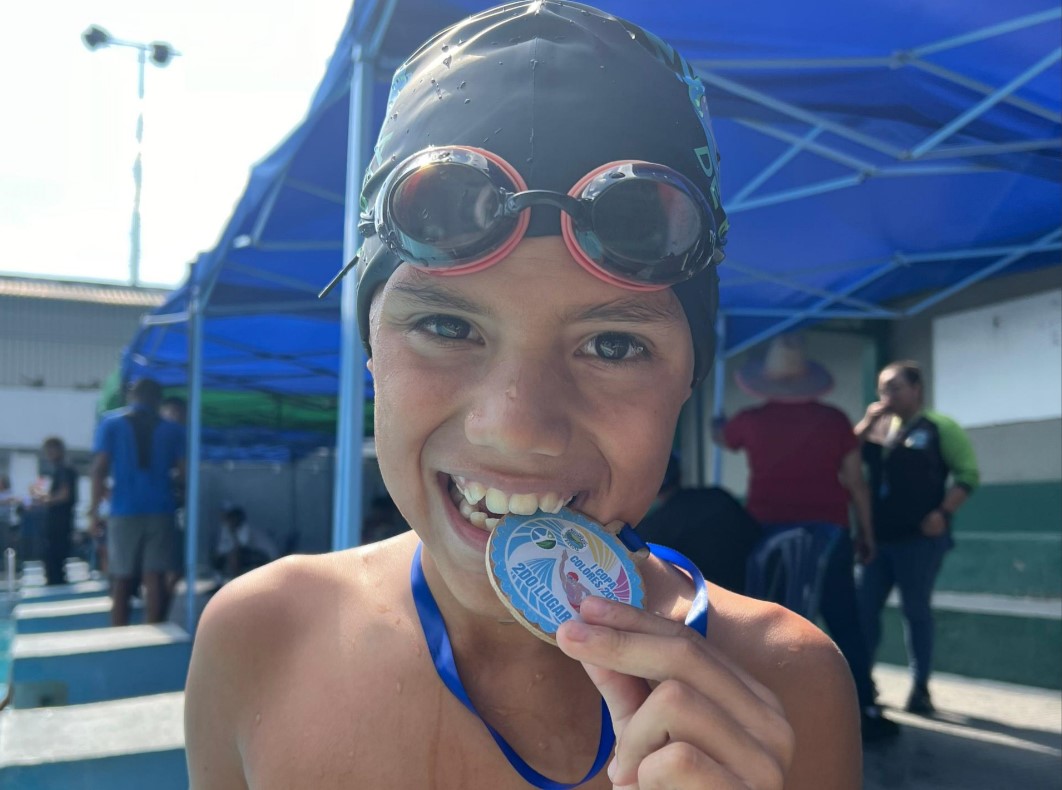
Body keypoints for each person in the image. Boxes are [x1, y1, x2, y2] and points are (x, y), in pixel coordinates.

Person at [185, 4, 861, 787]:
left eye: (613, 345)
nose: (517, 427)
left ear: (688, 379)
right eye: (444, 324)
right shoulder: (258, 637)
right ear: (370, 347)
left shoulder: (785, 684)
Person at [712, 333, 897, 741]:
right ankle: (862, 708)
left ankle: (763, 709)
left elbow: (722, 440)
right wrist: (867, 534)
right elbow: (855, 482)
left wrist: (717, 425)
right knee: (845, 624)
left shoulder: (751, 421)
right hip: (829, 533)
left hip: (766, 534)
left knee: (766, 623)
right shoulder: (834, 420)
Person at [854, 360, 979, 716]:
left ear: (915, 389)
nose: (886, 395)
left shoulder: (940, 427)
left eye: (893, 387)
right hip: (877, 542)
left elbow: (968, 474)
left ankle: (920, 688)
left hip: (919, 542)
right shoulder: (880, 430)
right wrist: (867, 423)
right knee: (863, 613)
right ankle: (862, 686)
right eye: (881, 388)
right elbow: (845, 455)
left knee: (916, 612)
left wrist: (943, 513)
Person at [89, 377, 186, 625]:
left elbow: (99, 469)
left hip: (123, 510)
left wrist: (93, 511)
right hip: (161, 509)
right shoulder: (173, 430)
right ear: (158, 400)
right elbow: (185, 474)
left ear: (132, 395)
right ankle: (152, 635)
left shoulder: (111, 423)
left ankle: (119, 636)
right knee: (153, 576)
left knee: (121, 577)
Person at [637, 453, 763, 594]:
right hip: (748, 594)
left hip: (702, 604)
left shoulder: (649, 531)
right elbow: (757, 541)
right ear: (680, 474)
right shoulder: (719, 498)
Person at [31, 438, 78, 586]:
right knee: (54, 557)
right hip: (60, 519)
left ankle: (56, 584)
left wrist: (45, 500)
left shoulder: (64, 469)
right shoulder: (60, 470)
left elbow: (64, 495)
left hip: (59, 520)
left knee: (54, 556)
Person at [211, 505, 280, 580]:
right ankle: (218, 579)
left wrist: (233, 534)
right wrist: (219, 555)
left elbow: (240, 546)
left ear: (238, 519)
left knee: (234, 555)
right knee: (221, 554)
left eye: (232, 518)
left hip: (265, 555)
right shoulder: (227, 528)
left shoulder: (246, 529)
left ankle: (236, 581)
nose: (230, 521)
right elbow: (223, 546)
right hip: (251, 553)